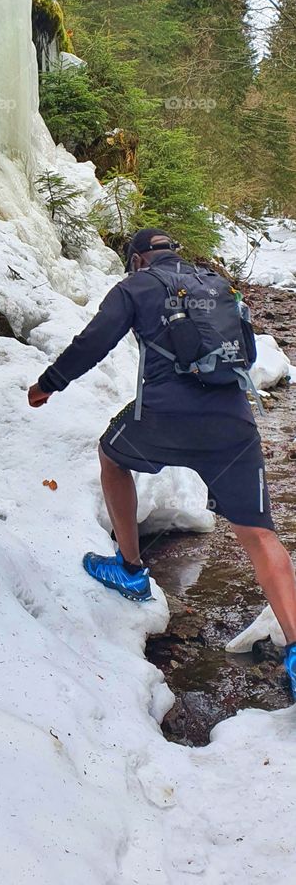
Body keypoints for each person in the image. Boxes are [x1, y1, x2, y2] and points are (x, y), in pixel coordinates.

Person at [28, 227, 296, 700]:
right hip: (232, 426)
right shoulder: (215, 284)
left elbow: (93, 342)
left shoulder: (135, 286)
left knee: (111, 456)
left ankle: (131, 571)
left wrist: (48, 383)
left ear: (137, 259)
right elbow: (245, 352)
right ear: (174, 253)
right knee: (259, 534)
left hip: (161, 421)